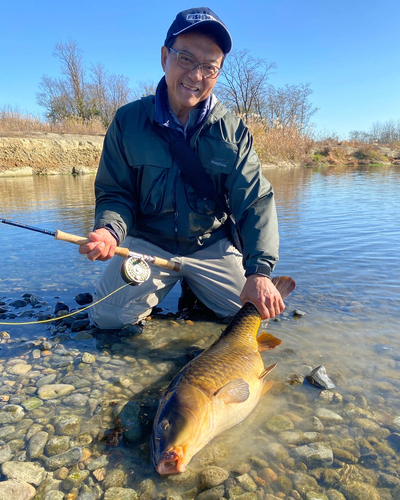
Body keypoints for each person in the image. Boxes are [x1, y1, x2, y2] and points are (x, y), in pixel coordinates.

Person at [79, 7, 285, 331]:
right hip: (149, 244)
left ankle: (197, 286)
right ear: (165, 57)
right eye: (186, 59)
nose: (195, 76)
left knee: (249, 321)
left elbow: (255, 201)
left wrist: (260, 272)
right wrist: (109, 230)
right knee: (107, 319)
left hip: (208, 244)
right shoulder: (128, 121)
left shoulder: (234, 132)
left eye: (209, 67)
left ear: (218, 73)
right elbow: (116, 193)